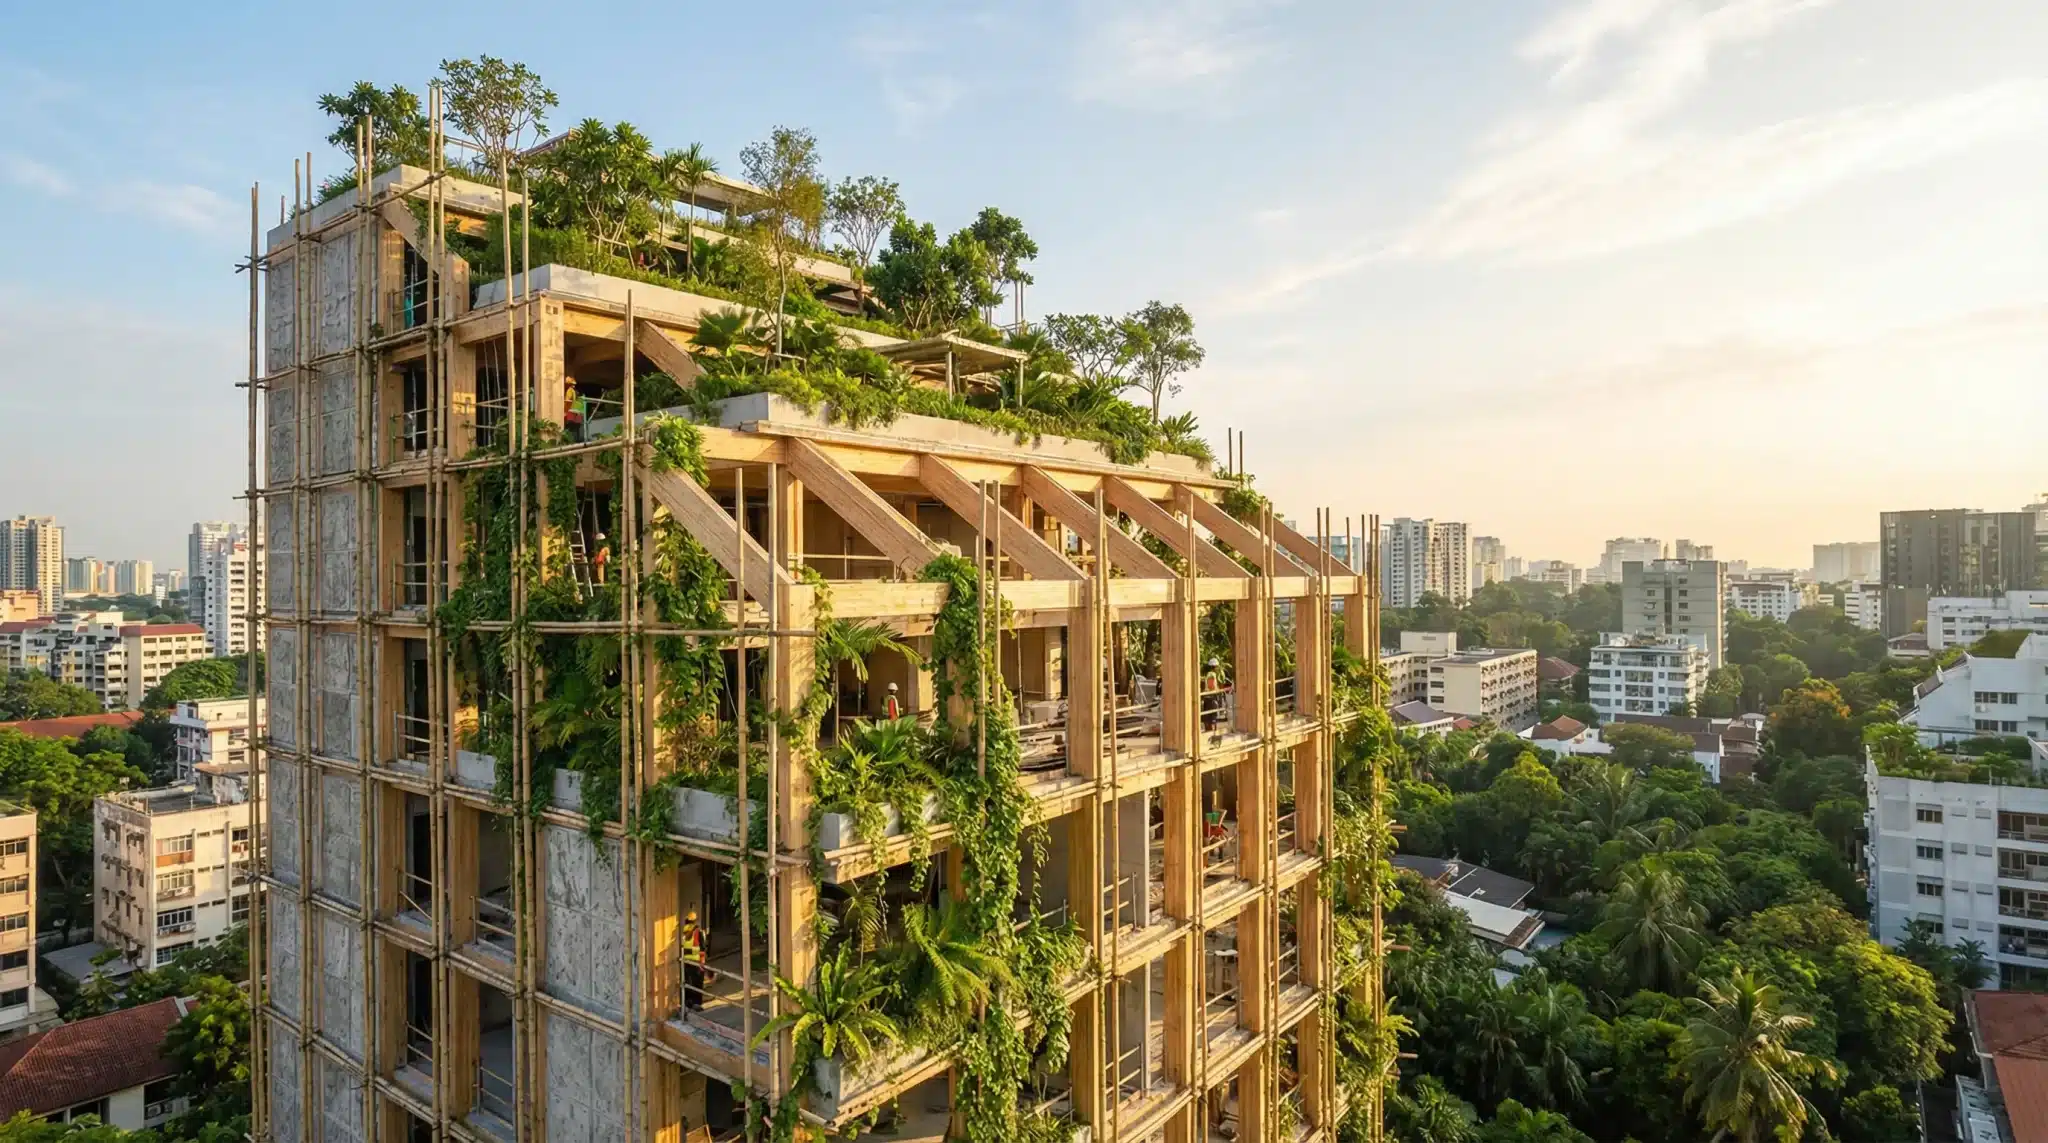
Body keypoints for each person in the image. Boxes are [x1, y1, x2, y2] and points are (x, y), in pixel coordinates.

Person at [680, 909, 706, 1011]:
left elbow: (683, 947)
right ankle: (697, 1004)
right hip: (696, 962)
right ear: (695, 920)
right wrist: (702, 962)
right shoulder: (698, 932)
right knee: (697, 983)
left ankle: (688, 1002)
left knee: (688, 982)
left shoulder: (684, 932)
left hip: (686, 962)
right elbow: (702, 948)